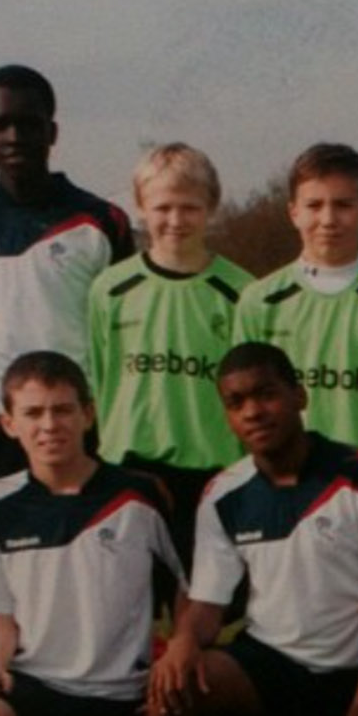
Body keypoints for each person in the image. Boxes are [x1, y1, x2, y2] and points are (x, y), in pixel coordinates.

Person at [150, 342, 358, 716]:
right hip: (267, 665)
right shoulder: (223, 494)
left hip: (348, 678)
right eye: (236, 403)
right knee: (171, 687)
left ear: (299, 395)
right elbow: (207, 602)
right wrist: (183, 639)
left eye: (266, 394)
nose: (253, 411)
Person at [0, 64, 136, 513]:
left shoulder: (101, 221)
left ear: (52, 130)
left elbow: (120, 336)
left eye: (28, 123)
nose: (13, 137)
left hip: (74, 424)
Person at [0, 352, 184, 716]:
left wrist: (179, 650)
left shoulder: (140, 495)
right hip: (34, 685)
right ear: (8, 424)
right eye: (33, 413)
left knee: (182, 696)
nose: (49, 425)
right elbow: (0, 612)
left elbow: (190, 586)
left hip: (124, 691)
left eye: (63, 410)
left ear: (88, 414)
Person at [87, 142, 252, 570]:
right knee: (127, 606)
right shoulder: (111, 288)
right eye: (162, 207)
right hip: (129, 469)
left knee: (204, 609)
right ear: (141, 206)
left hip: (212, 470)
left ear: (211, 207)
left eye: (189, 208)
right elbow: (100, 376)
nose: (175, 220)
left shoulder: (242, 292)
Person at [234, 142, 358, 471]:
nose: (328, 219)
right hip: (285, 487)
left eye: (343, 204)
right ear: (293, 213)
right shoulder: (260, 301)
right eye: (314, 205)